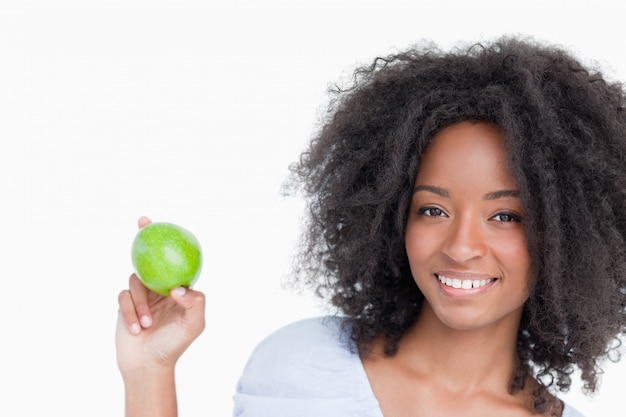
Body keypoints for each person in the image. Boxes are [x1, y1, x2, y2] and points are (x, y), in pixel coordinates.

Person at [116, 36, 626, 417]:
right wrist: (149, 373)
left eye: (505, 216)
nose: (462, 247)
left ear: (571, 241)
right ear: (391, 215)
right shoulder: (298, 367)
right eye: (433, 209)